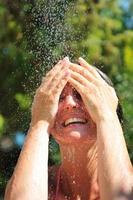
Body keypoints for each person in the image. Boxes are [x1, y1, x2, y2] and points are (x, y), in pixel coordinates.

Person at [4, 57, 133, 200]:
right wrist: (40, 123)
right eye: (58, 97)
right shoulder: (42, 184)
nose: (69, 103)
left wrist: (107, 115)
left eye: (81, 95)